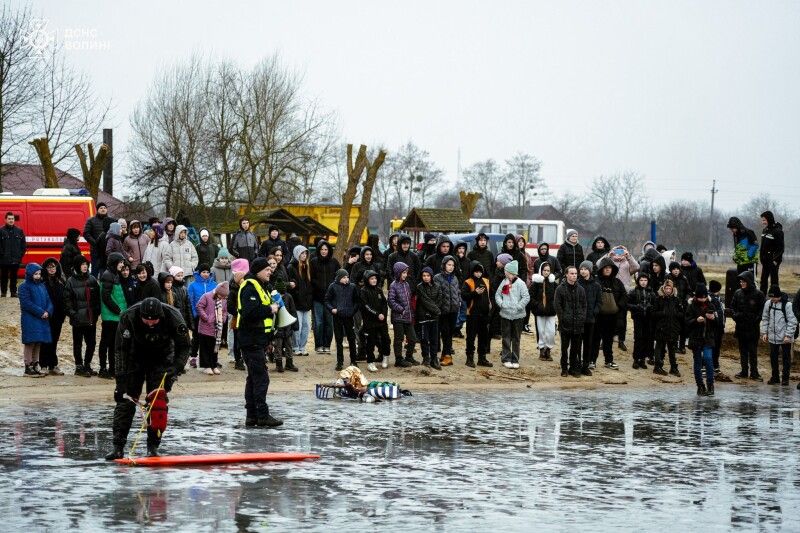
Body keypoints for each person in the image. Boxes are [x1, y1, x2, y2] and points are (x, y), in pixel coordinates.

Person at [104, 297, 191, 459]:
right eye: (147, 320)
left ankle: (153, 447)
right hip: (134, 356)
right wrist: (120, 382)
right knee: (126, 401)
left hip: (162, 358)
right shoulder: (128, 317)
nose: (151, 323)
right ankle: (118, 446)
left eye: (155, 321)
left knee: (157, 402)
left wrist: (177, 367)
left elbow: (185, 346)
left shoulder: (173, 316)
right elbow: (120, 350)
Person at [237, 257, 283, 428]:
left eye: (270, 270)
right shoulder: (249, 287)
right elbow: (250, 312)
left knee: (253, 378)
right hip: (250, 339)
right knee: (261, 379)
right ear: (257, 271)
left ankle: (252, 416)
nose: (270, 272)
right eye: (266, 270)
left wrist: (268, 340)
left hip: (257, 339)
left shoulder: (261, 286)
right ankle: (262, 416)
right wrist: (269, 309)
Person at [64, 255, 100, 377]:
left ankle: (87, 364)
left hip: (91, 318)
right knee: (78, 343)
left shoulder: (92, 280)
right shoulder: (70, 281)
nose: (85, 266)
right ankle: (79, 366)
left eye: (86, 264)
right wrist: (73, 314)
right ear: (77, 266)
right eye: (82, 264)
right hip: (78, 319)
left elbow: (97, 299)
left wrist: (96, 313)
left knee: (91, 343)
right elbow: (67, 301)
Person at [730, 270, 765, 381]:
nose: (741, 283)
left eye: (743, 281)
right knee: (742, 351)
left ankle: (754, 373)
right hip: (740, 327)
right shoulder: (737, 293)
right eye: (740, 282)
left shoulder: (759, 294)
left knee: (753, 351)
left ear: (749, 281)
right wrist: (736, 316)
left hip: (753, 328)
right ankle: (744, 371)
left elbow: (762, 310)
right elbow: (732, 307)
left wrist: (756, 319)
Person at [495, 260, 530, 369]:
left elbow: (526, 297)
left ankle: (515, 358)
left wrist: (519, 306)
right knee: (506, 337)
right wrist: (501, 304)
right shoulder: (504, 282)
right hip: (505, 314)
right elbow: (497, 295)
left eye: (507, 272)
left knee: (516, 338)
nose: (505, 273)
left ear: (512, 273)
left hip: (518, 316)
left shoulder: (521, 283)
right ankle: (506, 358)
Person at [18, 263, 51, 377]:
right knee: (30, 342)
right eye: (35, 274)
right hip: (30, 319)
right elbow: (26, 303)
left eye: (39, 274)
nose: (38, 276)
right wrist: (41, 312)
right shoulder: (23, 286)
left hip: (41, 319)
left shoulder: (42, 286)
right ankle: (28, 365)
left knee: (38, 342)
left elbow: (48, 300)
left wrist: (48, 311)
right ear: (30, 274)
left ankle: (36, 364)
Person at [760, 285, 797, 386]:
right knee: (773, 358)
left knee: (786, 358)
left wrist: (788, 336)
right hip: (772, 337)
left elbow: (792, 321)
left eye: (774, 297)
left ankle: (785, 379)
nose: (772, 299)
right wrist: (764, 333)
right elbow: (765, 318)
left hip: (785, 338)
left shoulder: (788, 305)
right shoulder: (768, 303)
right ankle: (775, 377)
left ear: (779, 296)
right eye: (770, 297)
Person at [554, 266, 587, 377]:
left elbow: (584, 305)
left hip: (578, 324)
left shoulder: (581, 289)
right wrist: (563, 318)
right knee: (564, 348)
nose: (574, 275)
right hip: (565, 324)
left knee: (575, 348)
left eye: (575, 273)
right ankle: (564, 368)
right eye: (571, 273)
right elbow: (557, 305)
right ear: (566, 274)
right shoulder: (560, 289)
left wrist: (582, 318)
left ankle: (573, 368)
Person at [99, 253, 128, 379]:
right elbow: (106, 297)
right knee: (106, 343)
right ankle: (103, 369)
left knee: (113, 344)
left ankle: (112, 368)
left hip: (116, 316)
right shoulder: (107, 275)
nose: (122, 265)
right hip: (110, 316)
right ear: (114, 262)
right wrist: (118, 310)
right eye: (120, 262)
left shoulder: (114, 274)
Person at [594, 257, 626, 369]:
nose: (608, 270)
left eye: (610, 268)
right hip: (598, 317)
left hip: (612, 317)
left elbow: (624, 296)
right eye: (605, 268)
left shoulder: (617, 282)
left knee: (608, 341)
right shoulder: (596, 282)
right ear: (601, 269)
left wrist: (618, 307)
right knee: (595, 340)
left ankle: (609, 361)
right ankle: (592, 361)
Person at [325, 269, 359, 371]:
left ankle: (353, 360)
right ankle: (340, 362)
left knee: (351, 339)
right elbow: (327, 300)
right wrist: (332, 309)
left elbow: (357, 301)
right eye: (344, 277)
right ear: (339, 278)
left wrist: (352, 311)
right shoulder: (333, 286)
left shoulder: (352, 287)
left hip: (349, 317)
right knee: (339, 339)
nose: (346, 279)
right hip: (337, 317)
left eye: (347, 277)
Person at [686, 284, 717, 396]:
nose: (702, 299)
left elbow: (718, 323)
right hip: (695, 338)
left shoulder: (711, 305)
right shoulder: (691, 306)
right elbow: (686, 322)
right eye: (700, 297)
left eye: (704, 297)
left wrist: (713, 319)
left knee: (708, 359)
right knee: (698, 362)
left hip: (708, 338)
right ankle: (700, 386)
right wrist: (695, 320)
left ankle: (710, 385)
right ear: (696, 296)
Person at [461, 261, 493, 368]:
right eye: (476, 272)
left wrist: (490, 304)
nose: (478, 274)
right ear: (472, 272)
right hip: (472, 314)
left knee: (483, 337)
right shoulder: (468, 282)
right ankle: (469, 359)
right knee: (471, 337)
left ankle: (482, 358)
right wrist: (475, 293)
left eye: (480, 272)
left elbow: (490, 294)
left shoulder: (486, 281)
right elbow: (464, 296)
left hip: (484, 314)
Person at [359, 270, 391, 372]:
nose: (374, 280)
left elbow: (384, 304)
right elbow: (365, 306)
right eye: (372, 279)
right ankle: (370, 362)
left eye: (375, 278)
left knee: (386, 339)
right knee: (371, 342)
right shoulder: (363, 291)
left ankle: (385, 356)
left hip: (382, 321)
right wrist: (377, 314)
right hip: (370, 322)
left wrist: (383, 314)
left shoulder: (379, 290)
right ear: (367, 280)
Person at [311, 240, 339, 353]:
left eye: (326, 249)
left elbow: (339, 276)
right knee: (318, 322)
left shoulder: (334, 262)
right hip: (317, 298)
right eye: (322, 249)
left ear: (329, 250)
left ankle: (327, 345)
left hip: (330, 299)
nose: (323, 251)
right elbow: (310, 278)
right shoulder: (313, 262)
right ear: (319, 250)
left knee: (329, 322)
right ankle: (319, 345)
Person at [196, 282, 230, 375]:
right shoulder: (206, 296)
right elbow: (199, 307)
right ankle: (206, 366)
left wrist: (223, 318)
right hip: (205, 327)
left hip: (217, 328)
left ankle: (213, 365)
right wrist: (206, 317)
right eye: (221, 296)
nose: (222, 298)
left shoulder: (223, 300)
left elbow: (225, 311)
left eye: (224, 297)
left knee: (215, 348)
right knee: (205, 348)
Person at [39, 258, 67, 375]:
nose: (51, 269)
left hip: (58, 317)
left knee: (54, 341)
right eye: (49, 267)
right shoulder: (41, 282)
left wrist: (63, 314)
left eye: (53, 267)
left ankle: (53, 365)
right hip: (45, 316)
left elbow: (64, 299)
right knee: (45, 341)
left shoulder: (61, 282)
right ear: (45, 269)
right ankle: (43, 365)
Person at [188, 264, 217, 368]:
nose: (206, 274)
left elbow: (217, 299)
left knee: (210, 338)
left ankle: (211, 359)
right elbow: (191, 301)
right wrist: (195, 314)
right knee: (196, 337)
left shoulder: (213, 284)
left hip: (211, 316)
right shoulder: (192, 285)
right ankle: (193, 357)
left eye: (207, 272)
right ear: (199, 273)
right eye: (203, 272)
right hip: (198, 316)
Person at [434, 255, 461, 367]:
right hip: (442, 310)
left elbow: (457, 291)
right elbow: (436, 293)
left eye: (453, 265)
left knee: (449, 333)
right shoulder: (437, 278)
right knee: (444, 333)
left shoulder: (455, 278)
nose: (451, 267)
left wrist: (458, 301)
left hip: (453, 310)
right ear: (444, 265)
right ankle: (445, 354)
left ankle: (447, 355)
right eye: (449, 265)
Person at [388, 262, 415, 368]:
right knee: (399, 339)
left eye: (406, 272)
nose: (405, 275)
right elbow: (391, 301)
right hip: (398, 317)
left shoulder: (407, 284)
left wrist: (410, 313)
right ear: (398, 272)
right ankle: (398, 359)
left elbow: (409, 300)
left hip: (408, 317)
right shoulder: (393, 285)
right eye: (403, 272)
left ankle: (409, 357)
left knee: (412, 338)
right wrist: (401, 309)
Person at [652, 279, 682, 376]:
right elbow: (653, 313)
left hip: (673, 328)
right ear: (663, 288)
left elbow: (682, 313)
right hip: (661, 328)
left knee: (672, 349)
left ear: (673, 289)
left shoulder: (676, 300)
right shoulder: (658, 299)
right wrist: (663, 313)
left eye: (670, 288)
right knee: (659, 348)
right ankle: (657, 366)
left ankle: (673, 368)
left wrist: (676, 314)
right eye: (666, 288)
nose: (668, 290)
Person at [288, 245, 312, 357]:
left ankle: (303, 347)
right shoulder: (291, 267)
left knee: (306, 326)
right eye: (302, 253)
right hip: (297, 302)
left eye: (305, 253)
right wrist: (297, 295)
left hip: (306, 302)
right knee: (298, 326)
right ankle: (295, 347)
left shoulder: (306, 266)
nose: (304, 255)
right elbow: (292, 285)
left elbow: (308, 285)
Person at [226, 258, 249, 370]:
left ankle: (244, 358)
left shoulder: (247, 289)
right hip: (237, 318)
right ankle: (238, 359)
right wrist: (239, 313)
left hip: (246, 318)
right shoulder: (233, 291)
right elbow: (230, 307)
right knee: (237, 340)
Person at [628, 272, 655, 370]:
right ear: (638, 281)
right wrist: (636, 307)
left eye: (645, 280)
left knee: (646, 338)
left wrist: (650, 308)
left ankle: (642, 359)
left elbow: (655, 305)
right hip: (638, 318)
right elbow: (627, 304)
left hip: (648, 318)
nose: (643, 282)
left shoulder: (651, 292)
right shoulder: (633, 292)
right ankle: (636, 359)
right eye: (641, 280)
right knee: (638, 338)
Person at [531, 262, 557, 361]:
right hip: (540, 311)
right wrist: (537, 305)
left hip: (550, 311)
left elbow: (557, 297)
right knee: (541, 331)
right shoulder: (536, 283)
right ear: (541, 271)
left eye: (548, 271)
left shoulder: (553, 283)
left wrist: (554, 306)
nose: (546, 272)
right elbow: (531, 296)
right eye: (544, 270)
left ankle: (548, 348)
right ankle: (542, 350)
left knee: (551, 332)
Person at [417, 266, 442, 369]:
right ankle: (426, 358)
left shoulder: (437, 286)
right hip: (423, 317)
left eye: (428, 275)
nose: (426, 277)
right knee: (424, 339)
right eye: (424, 275)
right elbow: (425, 300)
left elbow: (440, 299)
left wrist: (435, 311)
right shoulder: (419, 287)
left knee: (434, 339)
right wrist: (436, 310)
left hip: (434, 318)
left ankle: (434, 358)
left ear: (431, 276)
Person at [578, 261, 600, 374]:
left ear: (590, 270)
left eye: (585, 269)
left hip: (590, 319)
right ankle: (576, 363)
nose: (583, 271)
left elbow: (599, 301)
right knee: (577, 343)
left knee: (588, 343)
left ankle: (585, 365)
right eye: (581, 269)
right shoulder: (577, 283)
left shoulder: (596, 285)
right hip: (578, 319)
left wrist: (594, 312)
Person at [667, 261, 691, 354]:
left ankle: (682, 346)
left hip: (683, 306)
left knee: (683, 327)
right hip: (672, 305)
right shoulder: (668, 278)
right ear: (671, 270)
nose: (676, 271)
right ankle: (674, 346)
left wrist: (687, 299)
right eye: (674, 269)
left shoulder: (684, 278)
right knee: (674, 327)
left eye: (677, 269)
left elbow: (689, 291)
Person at [1, 212, 26, 298]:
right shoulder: (1, 231)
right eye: (9, 219)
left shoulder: (19, 231)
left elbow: (23, 245)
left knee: (14, 277)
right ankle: (3, 292)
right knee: (4, 277)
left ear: (14, 220)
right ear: (5, 220)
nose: (11, 220)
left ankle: (13, 292)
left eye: (12, 219)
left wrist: (20, 256)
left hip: (15, 259)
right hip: (4, 259)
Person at [759, 211, 784, 293]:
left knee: (774, 282)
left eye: (764, 220)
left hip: (773, 261)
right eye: (762, 220)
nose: (763, 222)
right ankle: (762, 299)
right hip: (765, 260)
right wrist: (761, 258)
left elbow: (780, 248)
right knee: (763, 281)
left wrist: (775, 260)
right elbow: (763, 246)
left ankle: (775, 298)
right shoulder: (765, 230)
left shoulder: (778, 231)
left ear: (769, 219)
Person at [83, 203, 111, 276]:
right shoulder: (91, 220)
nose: (103, 209)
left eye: (104, 208)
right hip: (96, 251)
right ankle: (93, 286)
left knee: (107, 272)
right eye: (101, 208)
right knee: (95, 271)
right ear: (97, 210)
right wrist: (95, 243)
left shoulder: (110, 220)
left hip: (107, 251)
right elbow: (86, 233)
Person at [708, 280, 725, 375]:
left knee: (716, 348)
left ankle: (715, 365)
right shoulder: (712, 299)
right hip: (715, 328)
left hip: (719, 327)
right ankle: (713, 365)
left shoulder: (718, 298)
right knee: (713, 348)